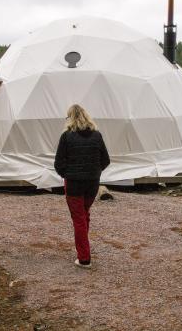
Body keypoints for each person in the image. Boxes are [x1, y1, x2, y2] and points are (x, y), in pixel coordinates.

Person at [54, 104, 110, 269]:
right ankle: (83, 247)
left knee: (79, 219)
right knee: (84, 216)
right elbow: (105, 161)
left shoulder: (67, 136)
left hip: (74, 184)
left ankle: (84, 258)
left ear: (70, 118)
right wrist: (94, 172)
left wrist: (68, 174)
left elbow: (58, 163)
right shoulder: (97, 136)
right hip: (92, 184)